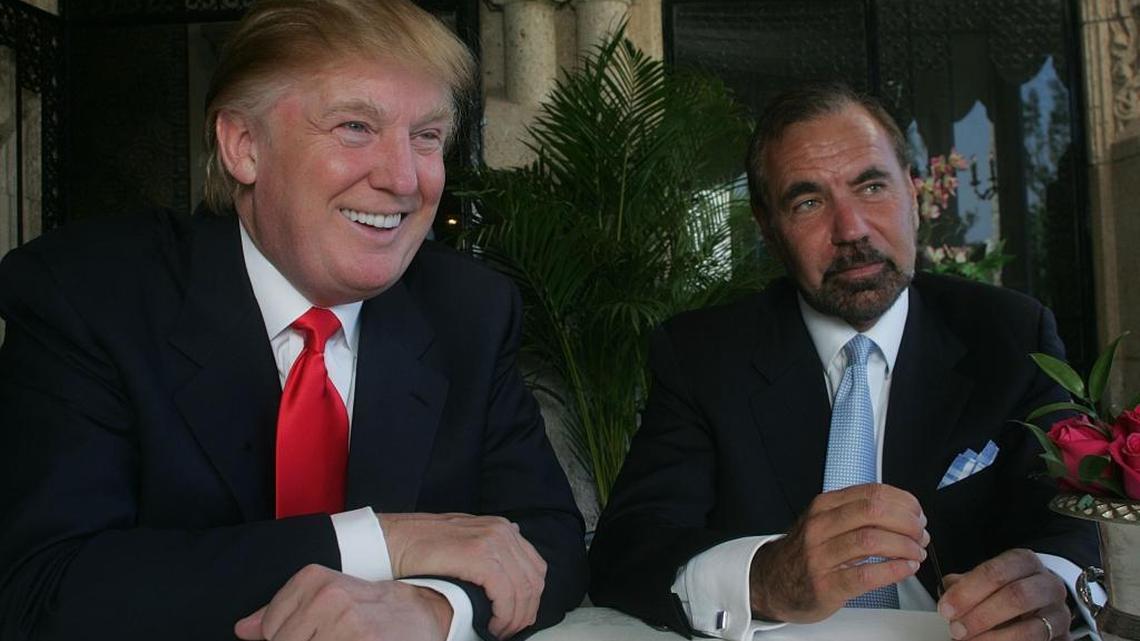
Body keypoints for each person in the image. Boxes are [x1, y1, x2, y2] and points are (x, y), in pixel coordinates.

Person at [0, 2, 587, 640]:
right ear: (243, 146)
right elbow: (44, 590)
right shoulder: (89, 294)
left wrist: (435, 607)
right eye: (356, 126)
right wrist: (383, 543)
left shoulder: (469, 310)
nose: (404, 178)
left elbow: (546, 542)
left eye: (427, 136)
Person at [588, 82, 1098, 641]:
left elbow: (1078, 519)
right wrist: (761, 578)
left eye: (872, 185)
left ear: (912, 189)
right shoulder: (702, 355)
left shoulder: (1011, 334)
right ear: (768, 228)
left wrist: (1052, 582)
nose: (850, 229)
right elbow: (629, 547)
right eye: (808, 202)